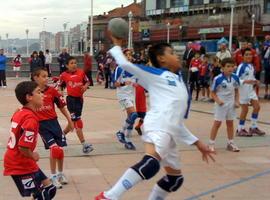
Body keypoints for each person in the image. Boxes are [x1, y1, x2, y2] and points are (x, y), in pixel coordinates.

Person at [95, 39, 215, 200]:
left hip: (169, 129)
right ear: (161, 59)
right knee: (151, 164)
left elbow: (176, 121)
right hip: (158, 125)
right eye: (171, 53)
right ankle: (109, 196)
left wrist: (197, 143)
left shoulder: (179, 80)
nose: (177, 56)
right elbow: (126, 65)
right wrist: (116, 47)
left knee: (175, 179)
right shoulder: (157, 74)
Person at [3, 81, 57, 200]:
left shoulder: (21, 112)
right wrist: (33, 155)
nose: (42, 94)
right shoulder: (30, 118)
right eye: (38, 92)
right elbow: (23, 147)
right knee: (42, 196)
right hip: (19, 164)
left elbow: (15, 123)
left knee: (50, 189)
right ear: (29, 97)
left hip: (25, 161)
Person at [32, 68, 74, 189]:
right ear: (35, 77)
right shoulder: (32, 92)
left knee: (60, 150)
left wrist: (69, 120)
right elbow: (27, 107)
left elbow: (61, 107)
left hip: (54, 123)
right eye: (43, 76)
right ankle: (53, 175)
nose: (46, 78)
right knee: (54, 149)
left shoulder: (52, 91)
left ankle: (60, 174)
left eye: (47, 76)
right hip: (42, 125)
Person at [59, 56, 93, 154]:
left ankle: (61, 136)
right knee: (78, 122)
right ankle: (84, 145)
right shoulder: (64, 75)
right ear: (67, 65)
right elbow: (60, 85)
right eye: (71, 63)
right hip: (71, 101)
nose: (74, 65)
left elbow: (87, 82)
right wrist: (60, 92)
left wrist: (85, 87)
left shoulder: (81, 72)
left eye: (75, 63)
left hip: (80, 100)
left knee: (73, 122)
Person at [209, 58, 240, 152]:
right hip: (221, 104)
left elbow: (236, 90)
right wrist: (218, 101)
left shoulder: (235, 77)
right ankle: (211, 144)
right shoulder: (217, 79)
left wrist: (237, 101)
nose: (230, 68)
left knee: (230, 123)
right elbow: (212, 93)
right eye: (228, 66)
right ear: (222, 68)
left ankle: (230, 143)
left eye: (232, 66)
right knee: (217, 123)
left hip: (231, 104)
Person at [236, 48, 266, 137]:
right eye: (247, 55)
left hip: (250, 91)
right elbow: (236, 78)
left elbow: (251, 77)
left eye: (250, 54)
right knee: (245, 110)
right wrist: (246, 82)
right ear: (243, 56)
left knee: (257, 107)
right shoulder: (241, 66)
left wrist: (255, 81)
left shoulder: (251, 66)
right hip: (243, 90)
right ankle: (240, 129)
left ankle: (253, 127)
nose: (249, 56)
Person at [113, 49, 137, 150]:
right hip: (123, 95)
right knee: (134, 114)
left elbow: (137, 81)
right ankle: (121, 132)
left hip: (131, 95)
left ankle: (128, 141)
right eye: (126, 55)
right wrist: (123, 83)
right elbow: (115, 84)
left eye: (130, 55)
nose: (128, 57)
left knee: (131, 119)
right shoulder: (119, 68)